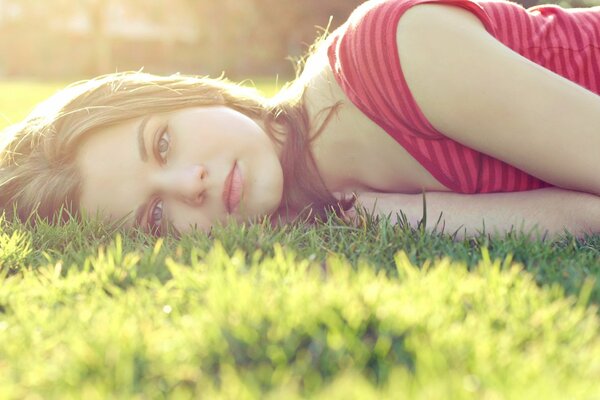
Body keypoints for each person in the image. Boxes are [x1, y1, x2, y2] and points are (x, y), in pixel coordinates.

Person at [2, 0, 600, 239]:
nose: (191, 184)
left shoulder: (393, 54)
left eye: (162, 144)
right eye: (157, 216)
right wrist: (394, 214)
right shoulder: (328, 209)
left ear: (187, 94)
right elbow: (584, 219)